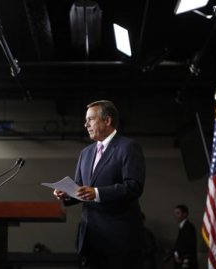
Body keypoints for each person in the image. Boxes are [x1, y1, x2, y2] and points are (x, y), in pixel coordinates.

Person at [53, 100, 146, 269]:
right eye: (86, 120)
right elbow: (80, 188)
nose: (85, 124)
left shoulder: (128, 147)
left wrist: (96, 193)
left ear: (107, 121)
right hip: (90, 239)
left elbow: (134, 186)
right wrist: (67, 194)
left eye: (90, 119)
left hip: (119, 240)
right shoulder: (85, 153)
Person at [171, 205, 198, 269]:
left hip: (186, 262)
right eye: (175, 213)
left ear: (184, 214)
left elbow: (188, 245)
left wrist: (179, 256)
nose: (175, 216)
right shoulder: (182, 226)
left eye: (178, 213)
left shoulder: (188, 227)